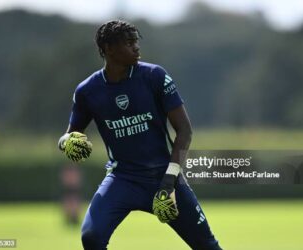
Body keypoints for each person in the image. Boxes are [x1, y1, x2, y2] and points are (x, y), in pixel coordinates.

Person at [58, 20, 222, 250]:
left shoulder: (154, 76)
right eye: (128, 43)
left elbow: (185, 130)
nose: (136, 47)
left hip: (163, 177)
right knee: (91, 237)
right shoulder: (87, 90)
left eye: (136, 41)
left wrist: (168, 182)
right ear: (108, 48)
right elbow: (69, 135)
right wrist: (66, 143)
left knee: (207, 246)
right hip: (122, 179)